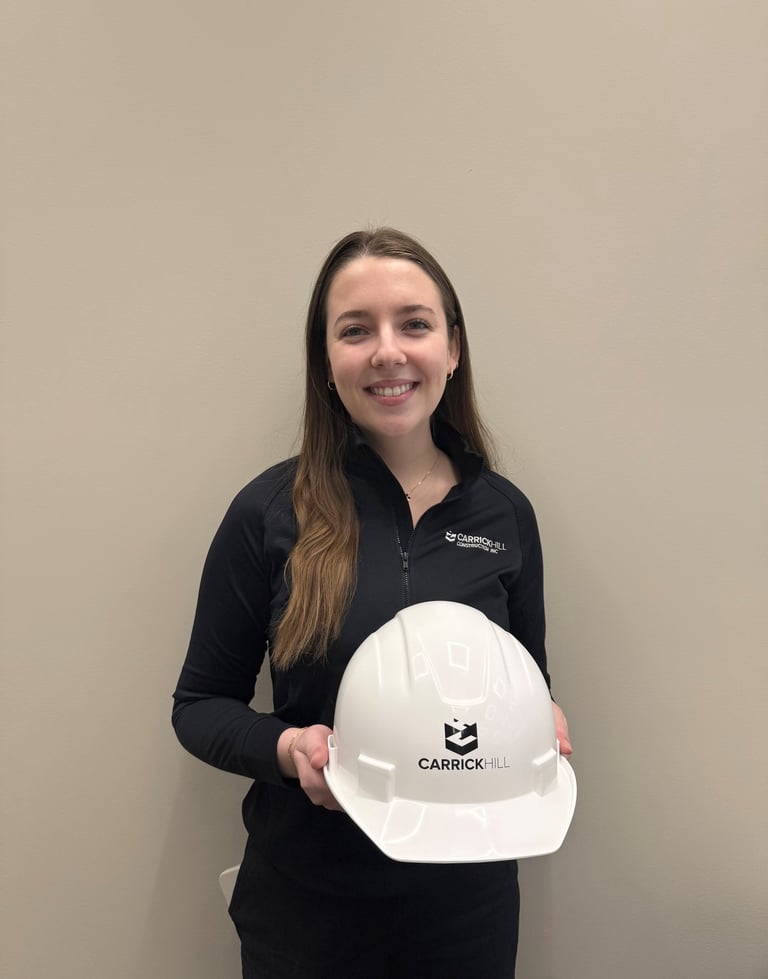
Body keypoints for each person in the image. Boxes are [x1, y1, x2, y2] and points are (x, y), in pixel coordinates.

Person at [172, 227, 572, 978]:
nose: (388, 351)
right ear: (326, 362)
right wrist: (289, 750)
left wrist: (540, 715)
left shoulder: (505, 514)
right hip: (308, 911)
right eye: (356, 330)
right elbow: (198, 705)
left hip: (469, 911)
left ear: (453, 348)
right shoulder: (269, 511)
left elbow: (529, 677)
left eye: (414, 324)